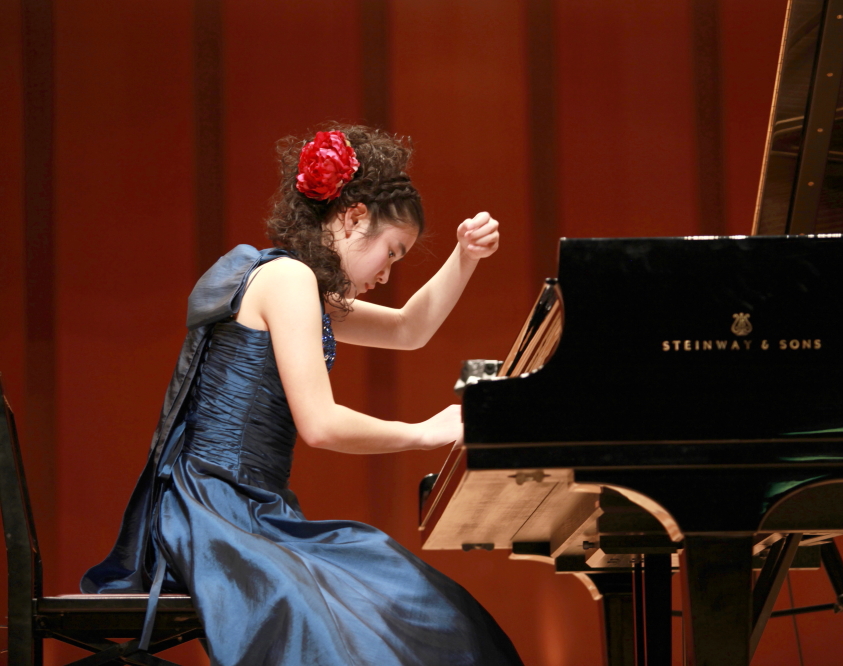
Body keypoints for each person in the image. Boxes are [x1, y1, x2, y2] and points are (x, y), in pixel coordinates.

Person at [82, 124, 523, 665]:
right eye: (391, 252)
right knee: (409, 607)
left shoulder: (292, 282)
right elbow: (320, 424)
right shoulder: (288, 279)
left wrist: (465, 256)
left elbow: (409, 329)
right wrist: (424, 432)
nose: (387, 274)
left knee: (412, 601)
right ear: (353, 217)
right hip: (221, 511)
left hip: (233, 506)